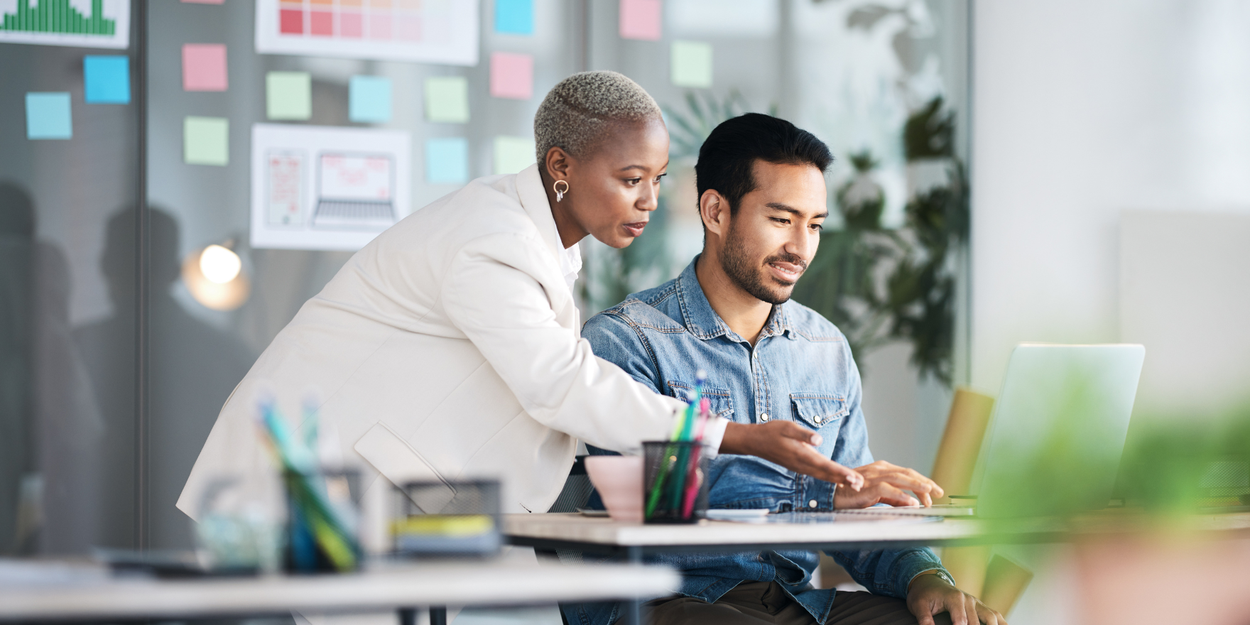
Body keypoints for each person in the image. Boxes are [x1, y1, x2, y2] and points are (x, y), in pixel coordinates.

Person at [179, 73, 864, 534]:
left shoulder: (545, 244)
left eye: (655, 179)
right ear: (561, 166)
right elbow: (559, 382)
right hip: (292, 486)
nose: (650, 201)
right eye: (630, 179)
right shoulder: (491, 239)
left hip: (358, 494)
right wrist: (735, 434)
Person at [575, 114, 1005, 625]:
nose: (801, 248)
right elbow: (659, 502)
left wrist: (925, 577)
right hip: (669, 603)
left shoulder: (824, 346)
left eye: (815, 224)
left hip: (799, 604)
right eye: (781, 220)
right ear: (715, 211)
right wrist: (821, 494)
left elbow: (859, 516)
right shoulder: (627, 339)